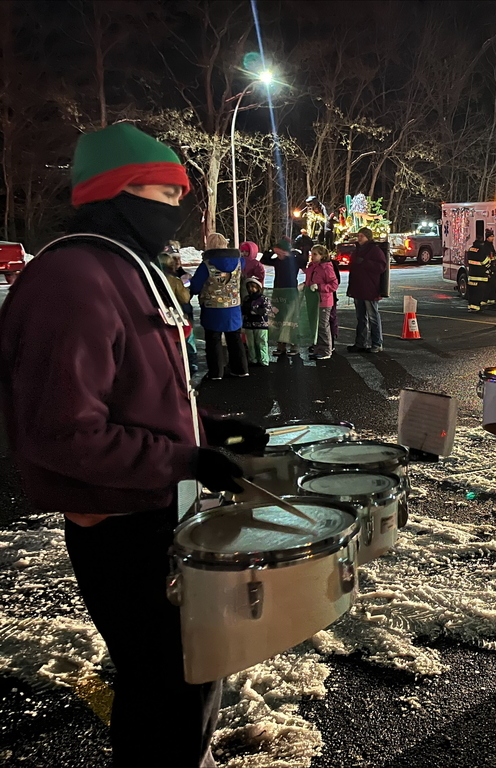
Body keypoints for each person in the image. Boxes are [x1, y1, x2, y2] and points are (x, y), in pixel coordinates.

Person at [0, 122, 267, 768]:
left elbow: (146, 390)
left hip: (156, 514)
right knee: (166, 692)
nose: (178, 208)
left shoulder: (122, 269)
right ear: (123, 190)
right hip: (120, 532)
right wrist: (184, 458)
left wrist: (208, 427)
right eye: (168, 191)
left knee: (193, 675)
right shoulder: (73, 280)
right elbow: (65, 433)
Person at [191, 232, 248, 380]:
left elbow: (196, 285)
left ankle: (216, 372)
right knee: (235, 338)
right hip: (233, 307)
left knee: (213, 340)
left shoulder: (206, 265)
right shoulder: (240, 262)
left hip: (212, 308)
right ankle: (240, 369)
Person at [262, 237, 307, 356]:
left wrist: (291, 252)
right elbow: (264, 259)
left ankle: (294, 344)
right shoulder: (277, 260)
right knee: (279, 318)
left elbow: (305, 264)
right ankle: (281, 345)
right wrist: (272, 251)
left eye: (279, 252)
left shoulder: (294, 260)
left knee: (291, 318)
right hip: (278, 291)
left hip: (291, 291)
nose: (278, 255)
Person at [346, 227, 387, 353]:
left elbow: (381, 267)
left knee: (373, 317)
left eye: (362, 236)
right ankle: (360, 343)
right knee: (361, 318)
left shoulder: (374, 250)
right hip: (358, 288)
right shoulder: (358, 250)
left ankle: (377, 343)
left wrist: (365, 262)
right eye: (359, 236)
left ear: (368, 237)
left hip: (370, 288)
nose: (359, 238)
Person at [160, 246, 198, 373]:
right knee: (187, 338)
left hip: (162, 313)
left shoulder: (152, 277)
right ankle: (191, 363)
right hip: (179, 313)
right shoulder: (175, 280)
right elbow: (185, 298)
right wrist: (186, 287)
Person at [303, 244, 339, 359]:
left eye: (315, 254)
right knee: (316, 326)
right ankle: (318, 348)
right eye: (312, 254)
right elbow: (309, 281)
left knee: (323, 326)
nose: (312, 256)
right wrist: (304, 285)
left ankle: (326, 350)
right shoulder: (313, 267)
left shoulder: (326, 268)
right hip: (313, 300)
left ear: (322, 256)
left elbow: (334, 284)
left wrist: (319, 287)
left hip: (323, 301)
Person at [241, 277, 271, 367]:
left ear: (258, 287)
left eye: (254, 287)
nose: (251, 289)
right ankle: (253, 359)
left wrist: (252, 310)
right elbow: (243, 309)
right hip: (249, 324)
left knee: (261, 342)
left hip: (261, 325)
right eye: (249, 287)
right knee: (250, 344)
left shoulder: (264, 299)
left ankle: (264, 360)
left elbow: (266, 310)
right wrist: (255, 310)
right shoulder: (246, 299)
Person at [465, 230, 496, 311]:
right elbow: (485, 261)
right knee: (479, 292)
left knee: (472, 291)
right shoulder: (481, 250)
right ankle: (476, 307)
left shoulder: (471, 249)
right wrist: (490, 268)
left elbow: (468, 260)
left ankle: (471, 306)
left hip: (472, 274)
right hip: (480, 275)